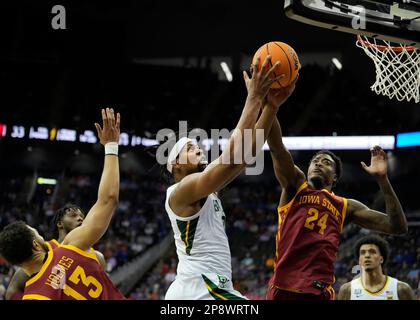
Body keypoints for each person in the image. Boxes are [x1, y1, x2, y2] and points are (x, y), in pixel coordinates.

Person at [164, 56, 297, 300]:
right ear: (175, 165)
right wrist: (254, 98)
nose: (199, 149)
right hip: (199, 290)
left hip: (210, 289)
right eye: (190, 148)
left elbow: (244, 156)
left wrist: (271, 107)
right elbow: (233, 156)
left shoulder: (205, 187)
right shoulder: (181, 190)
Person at [266, 114, 408, 300]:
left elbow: (397, 227)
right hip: (284, 286)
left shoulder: (345, 206)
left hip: (320, 290)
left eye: (326, 163)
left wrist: (383, 180)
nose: (318, 163)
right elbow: (277, 147)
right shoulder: (295, 186)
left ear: (334, 178)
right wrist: (269, 106)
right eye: (315, 161)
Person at [0, 108, 125, 300]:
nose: (80, 217)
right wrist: (111, 146)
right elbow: (108, 199)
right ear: (36, 244)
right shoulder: (67, 248)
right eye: (35, 231)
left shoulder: (34, 294)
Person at [5, 204, 107, 300]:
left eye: (82, 216)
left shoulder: (98, 257)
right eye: (73, 216)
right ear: (60, 223)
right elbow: (12, 291)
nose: (80, 219)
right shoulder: (45, 250)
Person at [338, 235, 415, 300]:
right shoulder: (347, 290)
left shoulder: (401, 289)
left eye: (372, 252)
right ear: (359, 261)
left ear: (381, 259)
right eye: (363, 253)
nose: (367, 256)